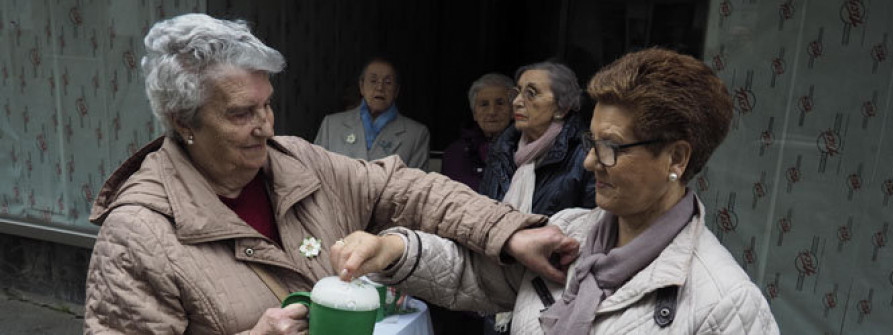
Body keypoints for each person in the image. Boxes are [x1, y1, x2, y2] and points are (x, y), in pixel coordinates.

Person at [83, 14, 562, 334]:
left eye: (267, 105)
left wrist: (509, 232)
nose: (264, 127)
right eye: (240, 114)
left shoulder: (296, 161)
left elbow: (403, 186)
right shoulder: (138, 235)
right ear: (183, 122)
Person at [331, 48, 779, 334]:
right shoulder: (569, 234)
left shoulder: (725, 305)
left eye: (610, 149)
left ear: (676, 159)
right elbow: (474, 275)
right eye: (590, 143)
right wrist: (392, 249)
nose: (588, 163)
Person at [479, 62, 595, 217]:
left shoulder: (585, 156)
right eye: (517, 92)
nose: (516, 102)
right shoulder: (502, 150)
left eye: (531, 93)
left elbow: (591, 227)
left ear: (561, 109)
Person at [314, 58, 431, 169]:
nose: (380, 87)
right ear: (361, 87)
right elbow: (315, 173)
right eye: (373, 81)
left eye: (388, 82)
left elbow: (415, 187)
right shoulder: (331, 125)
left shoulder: (416, 134)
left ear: (396, 91)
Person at [442, 73, 515, 190]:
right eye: (484, 104)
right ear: (474, 113)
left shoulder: (524, 151)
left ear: (513, 111)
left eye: (500, 103)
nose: (492, 111)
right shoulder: (454, 154)